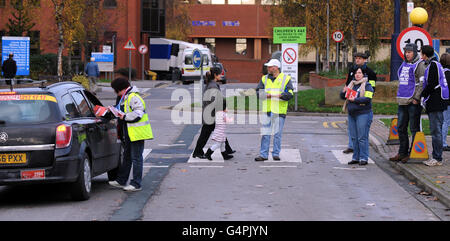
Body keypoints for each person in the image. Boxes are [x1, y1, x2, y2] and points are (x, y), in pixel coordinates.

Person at [108, 78, 153, 192]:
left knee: (136, 158)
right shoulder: (126, 97)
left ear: (121, 89)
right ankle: (121, 180)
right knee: (127, 156)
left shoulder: (133, 97)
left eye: (116, 91)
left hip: (137, 132)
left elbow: (138, 113)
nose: (116, 93)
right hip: (129, 131)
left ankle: (136, 183)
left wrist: (124, 117)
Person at [389, 43, 426, 163]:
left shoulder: (419, 65)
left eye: (409, 52)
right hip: (402, 101)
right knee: (400, 128)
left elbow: (422, 83)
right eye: (406, 52)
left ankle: (412, 153)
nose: (407, 54)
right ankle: (402, 152)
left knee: (414, 128)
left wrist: (416, 98)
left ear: (415, 52)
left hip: (413, 102)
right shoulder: (404, 63)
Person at [254, 59, 294, 161]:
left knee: (277, 134)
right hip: (267, 110)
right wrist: (266, 95)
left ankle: (276, 154)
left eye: (270, 67)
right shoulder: (264, 79)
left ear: (275, 68)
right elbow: (257, 92)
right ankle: (263, 155)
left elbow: (290, 94)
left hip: (279, 111)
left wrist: (278, 95)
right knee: (265, 134)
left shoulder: (286, 79)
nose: (268, 68)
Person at [192, 67, 235, 159]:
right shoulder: (212, 86)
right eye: (220, 74)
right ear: (215, 75)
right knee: (205, 134)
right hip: (211, 115)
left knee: (219, 131)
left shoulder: (212, 84)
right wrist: (221, 110)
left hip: (211, 114)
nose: (221, 75)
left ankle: (227, 150)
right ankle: (198, 152)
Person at [342, 51, 377, 154]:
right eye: (356, 58)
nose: (357, 60)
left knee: (361, 130)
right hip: (352, 102)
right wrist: (345, 91)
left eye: (360, 58)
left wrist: (367, 96)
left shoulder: (370, 72)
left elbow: (372, 87)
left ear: (365, 60)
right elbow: (348, 83)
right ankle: (351, 146)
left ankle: (362, 153)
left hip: (363, 102)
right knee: (352, 128)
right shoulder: (352, 69)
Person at [421, 46, 449, 167]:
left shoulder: (433, 65)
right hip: (437, 102)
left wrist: (422, 95)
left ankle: (437, 158)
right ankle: (437, 156)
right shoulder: (435, 65)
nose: (421, 56)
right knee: (436, 130)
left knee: (436, 130)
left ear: (424, 55)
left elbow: (432, 84)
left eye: (421, 54)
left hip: (436, 102)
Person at [341, 67, 374, 165]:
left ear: (363, 74)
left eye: (359, 73)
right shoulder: (352, 85)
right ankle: (355, 157)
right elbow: (343, 97)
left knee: (362, 137)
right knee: (354, 137)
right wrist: (344, 92)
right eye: (356, 73)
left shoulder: (367, 85)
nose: (357, 75)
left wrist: (355, 100)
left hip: (363, 113)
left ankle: (363, 158)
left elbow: (367, 99)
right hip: (352, 114)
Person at [441, 53, 450, 151]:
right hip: (448, 101)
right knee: (445, 122)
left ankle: (441, 142)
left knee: (442, 121)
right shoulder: (448, 73)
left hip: (441, 100)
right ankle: (443, 143)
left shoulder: (441, 72)